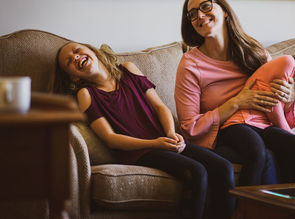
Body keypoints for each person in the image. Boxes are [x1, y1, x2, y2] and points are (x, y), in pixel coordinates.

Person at [53, 41, 235, 219]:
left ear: (93, 51)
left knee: (224, 167)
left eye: (77, 50)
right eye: (69, 61)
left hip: (165, 140)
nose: (75, 57)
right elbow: (110, 138)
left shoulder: (129, 70)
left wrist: (171, 133)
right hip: (140, 153)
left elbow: (160, 107)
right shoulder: (86, 95)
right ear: (74, 77)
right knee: (198, 172)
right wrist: (154, 143)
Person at [175, 0, 295, 186]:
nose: (199, 15)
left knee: (291, 143)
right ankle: (249, 208)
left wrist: (289, 96)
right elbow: (189, 127)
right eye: (192, 14)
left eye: (206, 6)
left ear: (224, 10)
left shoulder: (255, 52)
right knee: (261, 152)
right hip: (220, 136)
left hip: (260, 125)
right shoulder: (190, 64)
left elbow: (275, 106)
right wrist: (235, 103)